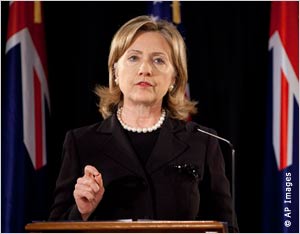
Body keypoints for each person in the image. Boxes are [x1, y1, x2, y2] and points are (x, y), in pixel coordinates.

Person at [49, 15, 239, 232]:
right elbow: (55, 229)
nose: (145, 69)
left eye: (159, 60)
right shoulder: (81, 142)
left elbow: (227, 228)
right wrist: (81, 211)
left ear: (174, 78)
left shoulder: (203, 142)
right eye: (133, 58)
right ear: (115, 72)